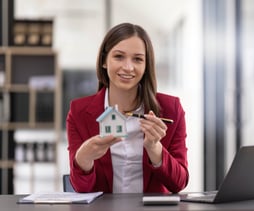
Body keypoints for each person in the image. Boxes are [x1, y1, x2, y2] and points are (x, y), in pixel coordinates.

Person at [66, 22, 189, 193]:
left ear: (146, 66)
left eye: (138, 59)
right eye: (119, 57)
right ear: (104, 61)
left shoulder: (171, 109)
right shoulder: (79, 112)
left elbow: (179, 183)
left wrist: (155, 148)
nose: (128, 67)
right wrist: (83, 159)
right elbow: (81, 189)